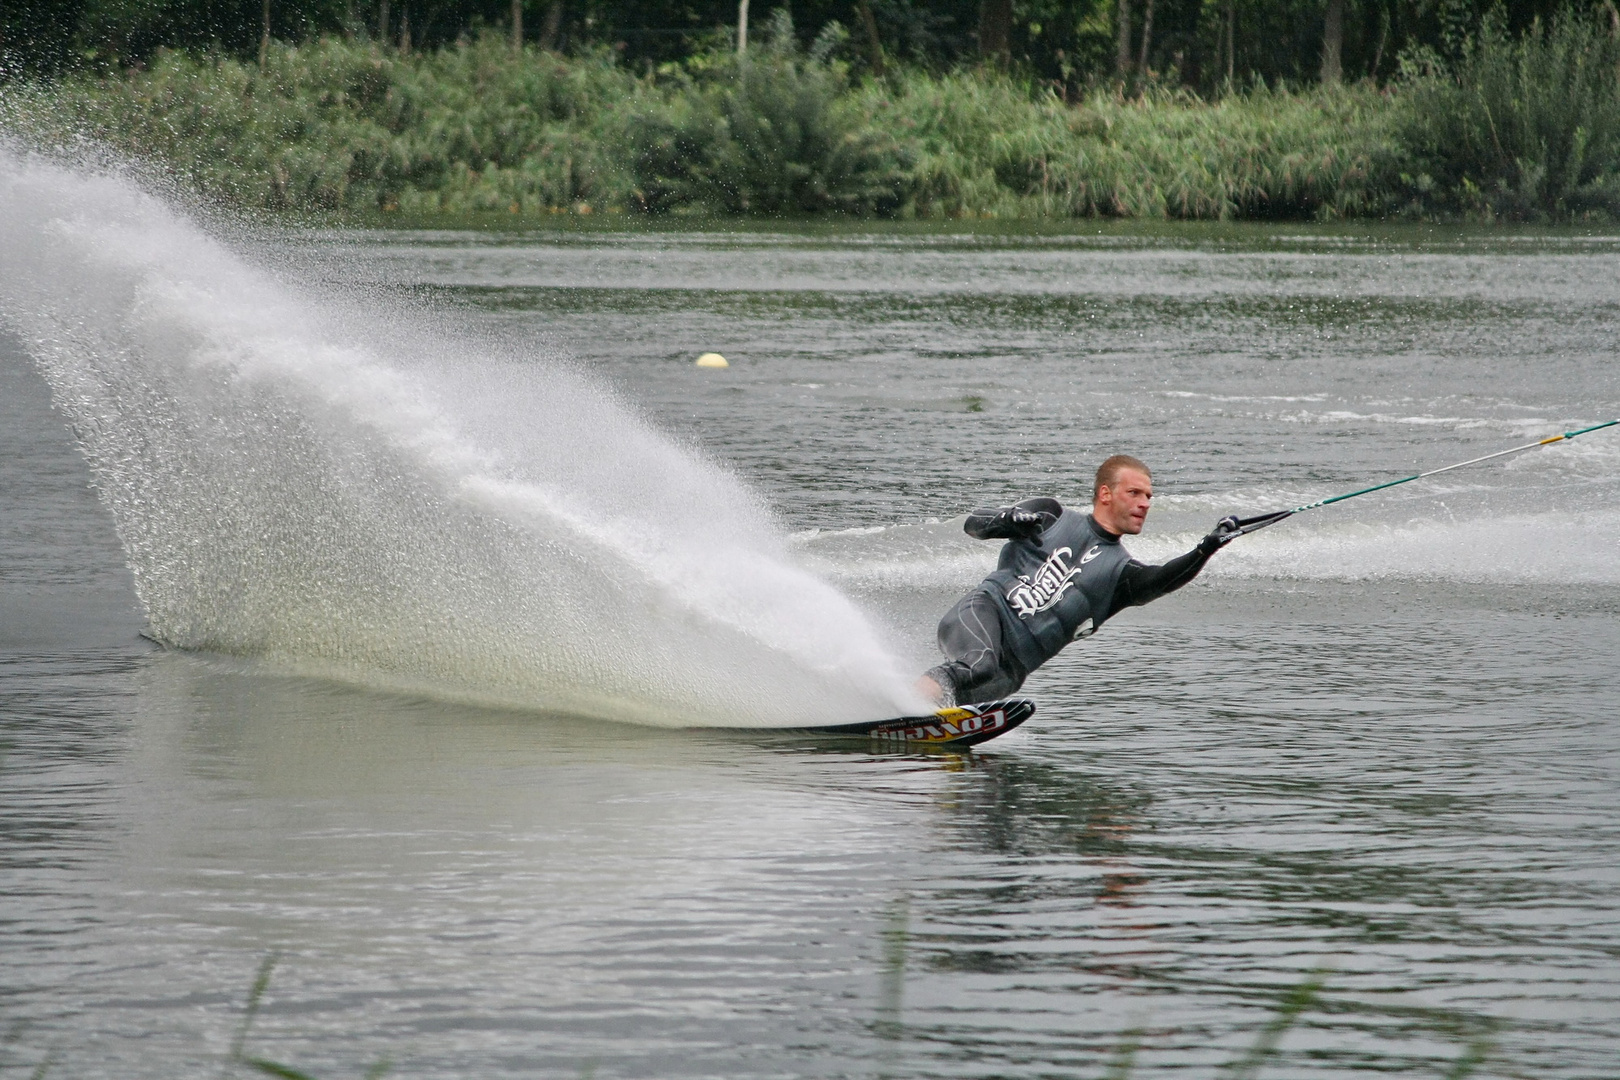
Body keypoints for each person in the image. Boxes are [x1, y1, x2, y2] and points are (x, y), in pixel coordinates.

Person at [918, 454, 1240, 706]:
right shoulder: (1050, 515)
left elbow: (1161, 580)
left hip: (1011, 672)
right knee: (978, 665)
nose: (1145, 503)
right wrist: (1007, 520)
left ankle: (906, 717)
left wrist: (1206, 548)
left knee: (981, 682)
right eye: (1135, 493)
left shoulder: (1122, 578)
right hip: (982, 615)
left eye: (1149, 496)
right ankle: (904, 703)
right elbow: (974, 525)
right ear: (1106, 494)